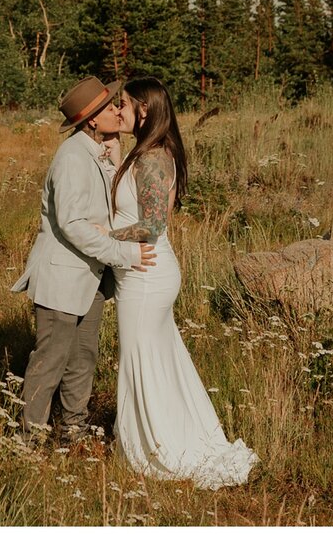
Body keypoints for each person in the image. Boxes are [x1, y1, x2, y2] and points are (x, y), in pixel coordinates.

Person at [103, 77, 257, 488]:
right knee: (158, 360)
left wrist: (100, 236)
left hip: (147, 275)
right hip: (145, 273)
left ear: (144, 110)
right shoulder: (147, 151)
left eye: (123, 104)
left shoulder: (153, 158)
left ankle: (155, 448)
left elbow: (153, 224)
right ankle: (157, 435)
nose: (118, 110)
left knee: (141, 361)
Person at [12, 76, 153, 438]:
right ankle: (31, 436)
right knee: (51, 359)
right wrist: (124, 254)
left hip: (89, 278)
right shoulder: (72, 158)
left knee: (83, 356)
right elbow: (73, 225)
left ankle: (73, 425)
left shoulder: (96, 152)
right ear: (92, 119)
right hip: (62, 277)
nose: (118, 111)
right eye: (111, 107)